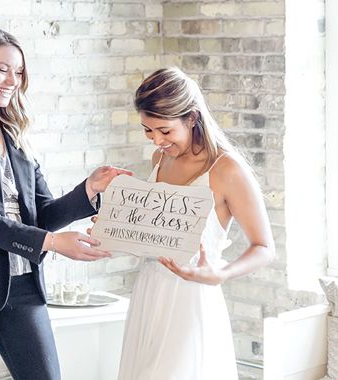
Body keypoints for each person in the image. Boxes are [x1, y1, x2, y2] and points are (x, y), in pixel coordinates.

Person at [0, 26, 131, 380]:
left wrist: (89, 189)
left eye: (18, 72)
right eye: (2, 69)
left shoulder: (15, 137)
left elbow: (42, 213)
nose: (12, 80)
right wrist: (51, 244)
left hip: (22, 286)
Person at [116, 67, 275, 380]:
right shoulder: (159, 160)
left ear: (191, 117)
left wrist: (221, 274)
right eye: (148, 130)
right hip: (149, 293)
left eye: (165, 131)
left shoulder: (226, 169)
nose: (157, 140)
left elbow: (265, 247)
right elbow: (156, 234)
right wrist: (116, 228)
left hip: (190, 299)